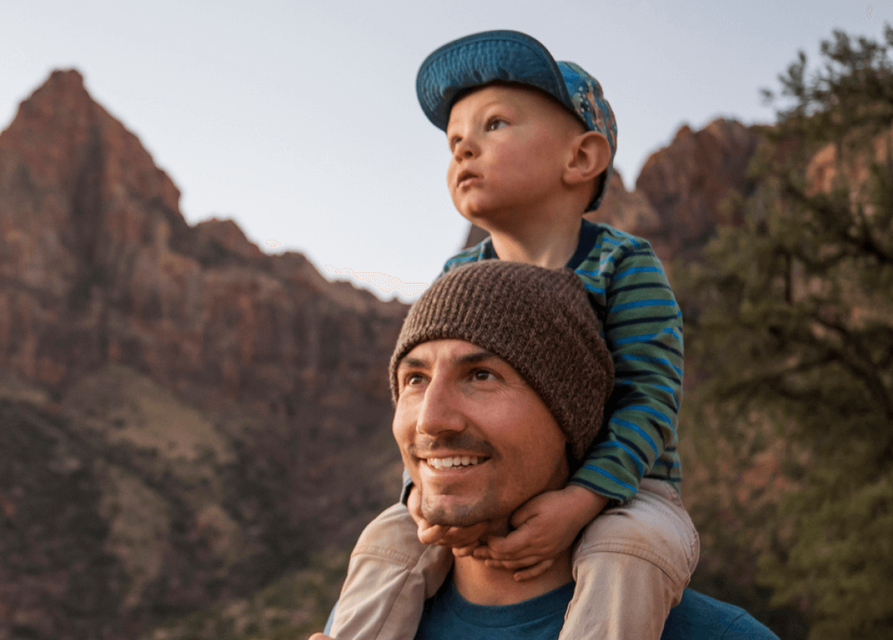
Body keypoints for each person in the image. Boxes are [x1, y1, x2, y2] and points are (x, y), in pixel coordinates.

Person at [332, 29, 699, 640]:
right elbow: (429, 410)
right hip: (482, 484)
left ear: (581, 157)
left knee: (628, 550)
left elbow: (649, 397)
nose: (464, 150)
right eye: (454, 140)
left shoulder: (622, 265)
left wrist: (583, 499)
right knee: (391, 538)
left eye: (495, 125)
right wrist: (424, 494)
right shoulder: (457, 277)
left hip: (627, 492)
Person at [312, 261, 777, 640]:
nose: (431, 419)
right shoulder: (363, 618)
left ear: (570, 413)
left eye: (481, 375)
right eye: (415, 379)